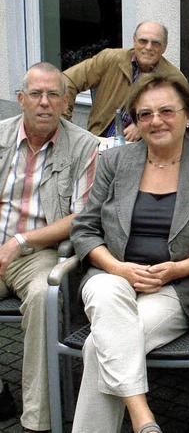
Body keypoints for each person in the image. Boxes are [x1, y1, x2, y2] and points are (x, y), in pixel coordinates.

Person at [70, 74, 189, 433]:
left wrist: (176, 270)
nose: (155, 121)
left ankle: (138, 417)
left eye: (166, 111)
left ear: (188, 116)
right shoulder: (116, 163)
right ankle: (143, 417)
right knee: (104, 290)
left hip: (174, 290)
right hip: (111, 277)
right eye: (144, 114)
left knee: (97, 350)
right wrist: (117, 267)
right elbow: (84, 229)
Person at [0, 62, 99, 432]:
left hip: (40, 253)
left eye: (53, 95)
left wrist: (19, 241)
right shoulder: (1, 136)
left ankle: (37, 420)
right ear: (21, 100)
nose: (45, 103)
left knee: (45, 296)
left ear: (65, 102)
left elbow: (80, 217)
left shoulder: (84, 146)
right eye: (36, 95)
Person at [63, 21, 186, 140]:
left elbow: (182, 116)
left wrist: (144, 125)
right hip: (100, 141)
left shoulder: (174, 79)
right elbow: (66, 81)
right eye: (143, 41)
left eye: (156, 43)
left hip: (146, 149)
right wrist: (65, 124)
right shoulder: (111, 59)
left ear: (164, 47)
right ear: (134, 41)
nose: (148, 47)